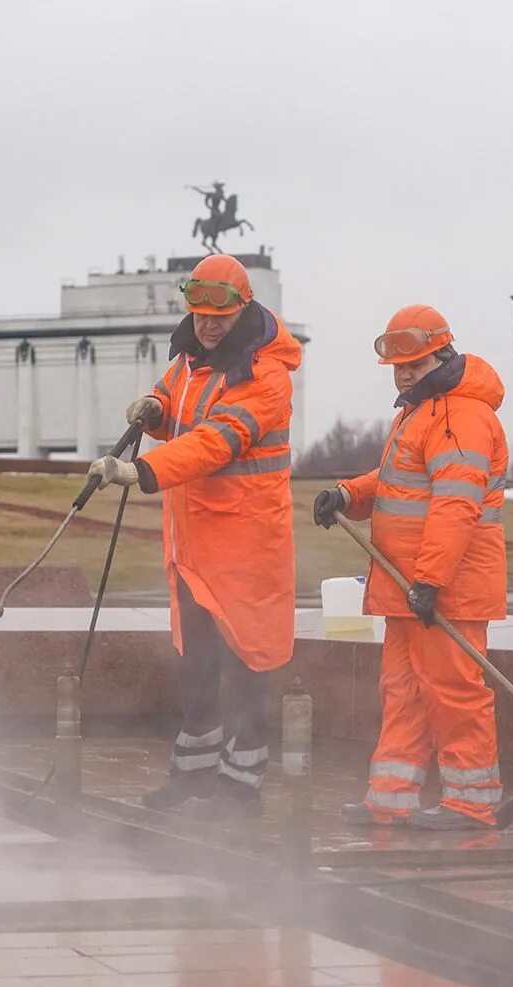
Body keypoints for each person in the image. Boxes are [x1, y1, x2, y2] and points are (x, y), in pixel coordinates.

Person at [88, 253, 301, 819]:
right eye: (199, 313)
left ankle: (241, 784)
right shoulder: (189, 362)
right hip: (193, 543)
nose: (207, 325)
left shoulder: (266, 377)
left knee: (247, 662)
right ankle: (194, 771)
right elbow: (176, 407)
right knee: (198, 661)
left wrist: (146, 470)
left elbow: (217, 440)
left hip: (246, 544)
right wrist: (154, 410)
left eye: (219, 316)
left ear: (244, 309)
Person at [313, 305, 509, 830]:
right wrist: (347, 494)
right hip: (410, 587)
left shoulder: (461, 415)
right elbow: (396, 482)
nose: (404, 376)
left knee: (454, 692)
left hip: (445, 589)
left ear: (442, 356)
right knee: (402, 692)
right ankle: (391, 799)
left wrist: (431, 580)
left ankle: (472, 803)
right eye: (399, 368)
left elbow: (455, 505)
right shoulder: (420, 413)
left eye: (415, 366)